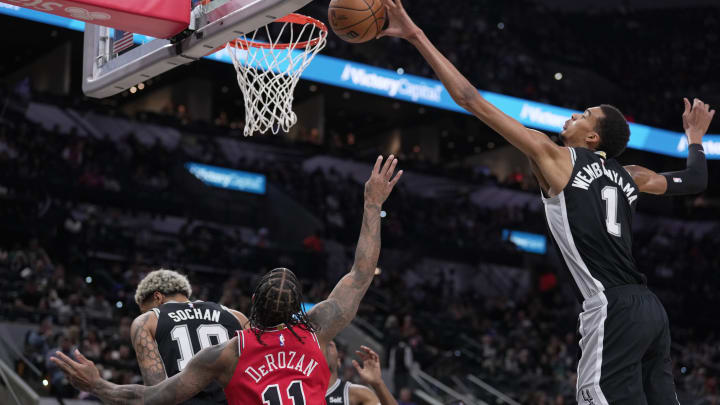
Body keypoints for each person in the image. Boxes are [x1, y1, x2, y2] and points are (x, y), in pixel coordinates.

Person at [377, 1, 714, 404]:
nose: (574, 114)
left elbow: (469, 99)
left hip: (611, 308)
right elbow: (695, 179)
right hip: (651, 310)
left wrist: (415, 35)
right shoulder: (632, 176)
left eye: (585, 114)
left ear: (594, 139)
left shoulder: (554, 157)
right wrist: (694, 139)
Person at [51, 155, 403, 405]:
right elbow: (360, 273)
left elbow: (153, 396)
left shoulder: (228, 352)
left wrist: (99, 386)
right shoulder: (314, 331)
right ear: (299, 310)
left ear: (252, 304)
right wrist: (372, 204)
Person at [130, 269, 248, 405]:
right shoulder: (236, 316)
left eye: (146, 309)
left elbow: (156, 391)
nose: (147, 313)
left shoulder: (146, 321)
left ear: (158, 297)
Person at [325, 342, 397, 405]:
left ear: (338, 361)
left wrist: (378, 383)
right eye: (320, 345)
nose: (325, 350)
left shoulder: (356, 394)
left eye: (329, 345)